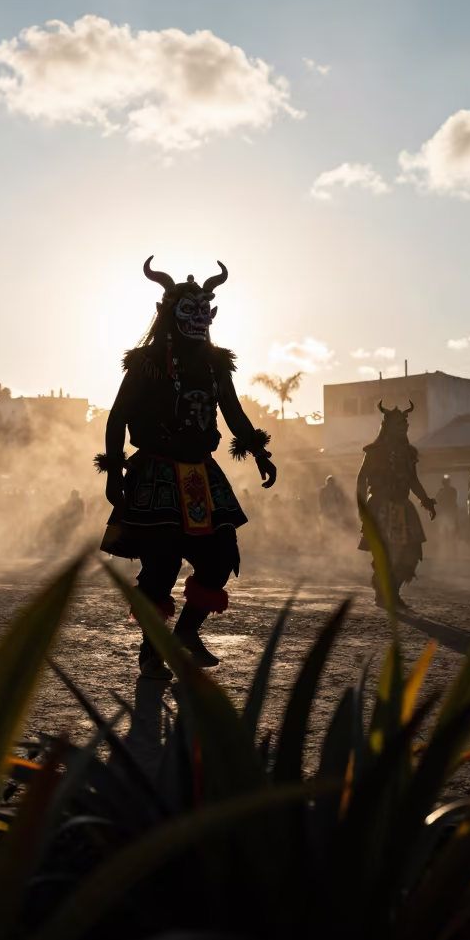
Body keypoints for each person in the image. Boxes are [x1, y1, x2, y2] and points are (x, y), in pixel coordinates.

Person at [97, 257, 276, 678]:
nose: (197, 319)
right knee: (160, 568)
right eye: (187, 310)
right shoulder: (145, 362)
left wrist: (259, 451)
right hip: (156, 473)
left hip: (200, 477)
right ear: (167, 313)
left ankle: (186, 635)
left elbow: (233, 412)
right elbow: (117, 417)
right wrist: (113, 475)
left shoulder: (216, 364)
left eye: (203, 310)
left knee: (220, 558)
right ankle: (151, 653)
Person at [357, 402, 436, 609]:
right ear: (388, 426)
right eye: (400, 423)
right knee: (386, 554)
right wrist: (362, 506)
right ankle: (384, 594)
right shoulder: (374, 451)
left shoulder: (409, 453)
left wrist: (426, 501)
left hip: (404, 507)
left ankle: (392, 592)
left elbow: (413, 480)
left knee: (410, 554)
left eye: (405, 423)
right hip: (380, 506)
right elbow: (362, 478)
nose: (404, 427)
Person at [435, 474, 459, 542]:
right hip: (444, 513)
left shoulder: (452, 490)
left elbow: (453, 500)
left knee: (451, 530)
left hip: (450, 513)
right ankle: (445, 545)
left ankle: (451, 544)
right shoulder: (441, 491)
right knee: (443, 531)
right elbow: (438, 501)